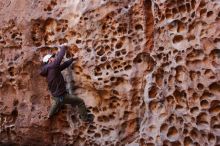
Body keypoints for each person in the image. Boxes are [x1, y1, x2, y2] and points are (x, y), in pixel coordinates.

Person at [39, 46, 93, 122]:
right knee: (80, 102)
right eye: (53, 57)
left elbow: (64, 65)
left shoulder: (50, 70)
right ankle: (85, 119)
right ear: (50, 60)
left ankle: (49, 115)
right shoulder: (52, 66)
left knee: (56, 104)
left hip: (55, 95)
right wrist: (63, 47)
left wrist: (72, 59)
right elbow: (60, 57)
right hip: (62, 96)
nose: (54, 58)